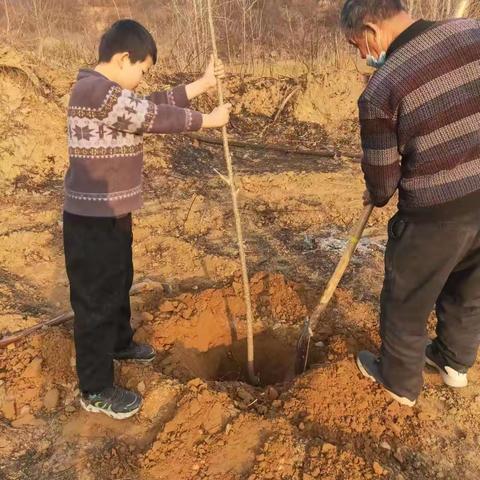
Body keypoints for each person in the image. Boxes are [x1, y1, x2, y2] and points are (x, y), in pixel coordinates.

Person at [64, 19, 231, 419]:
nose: (142, 79)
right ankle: (95, 387)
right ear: (123, 58)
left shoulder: (112, 94)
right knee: (95, 301)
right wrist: (208, 120)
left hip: (113, 213)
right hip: (90, 219)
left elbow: (148, 104)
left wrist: (201, 86)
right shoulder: (92, 90)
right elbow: (150, 116)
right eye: (142, 70)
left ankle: (119, 342)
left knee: (119, 279)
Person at [340, 0, 480, 406]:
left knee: (406, 297)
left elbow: (382, 182)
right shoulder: (472, 32)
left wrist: (378, 190)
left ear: (370, 29)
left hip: (436, 213)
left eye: (357, 46)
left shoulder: (381, 89)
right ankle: (454, 363)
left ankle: (399, 381)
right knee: (469, 285)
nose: (363, 56)